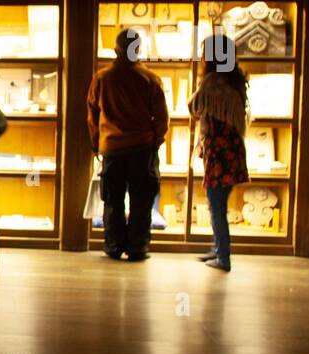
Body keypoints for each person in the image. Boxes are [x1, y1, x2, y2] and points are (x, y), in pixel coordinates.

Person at [87, 28, 169, 261]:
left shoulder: (102, 78)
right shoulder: (150, 79)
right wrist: (155, 141)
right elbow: (162, 118)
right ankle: (137, 248)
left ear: (115, 50)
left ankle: (113, 246)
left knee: (112, 200)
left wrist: (96, 144)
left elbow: (92, 117)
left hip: (111, 147)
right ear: (138, 49)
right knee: (141, 201)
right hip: (142, 148)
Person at [189, 35, 248, 272]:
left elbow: (193, 106)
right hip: (233, 149)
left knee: (216, 206)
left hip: (218, 151)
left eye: (204, 52)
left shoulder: (212, 81)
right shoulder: (235, 80)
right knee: (218, 203)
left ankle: (223, 257)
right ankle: (216, 249)